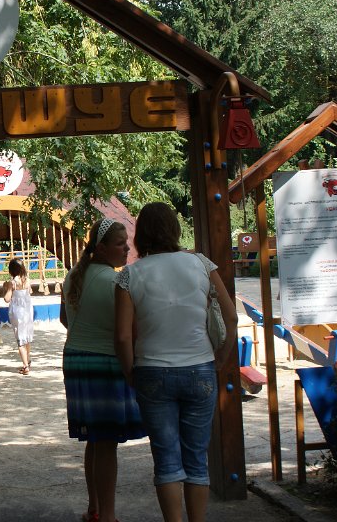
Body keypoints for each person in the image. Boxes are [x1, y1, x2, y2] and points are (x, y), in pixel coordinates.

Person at [113, 202, 237, 522]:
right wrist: (220, 358)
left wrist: (130, 372)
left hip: (152, 371)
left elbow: (123, 336)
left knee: (167, 460)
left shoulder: (129, 275)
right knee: (196, 459)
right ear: (175, 229)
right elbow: (231, 316)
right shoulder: (201, 264)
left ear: (141, 234)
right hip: (200, 368)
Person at [60, 218, 145, 522]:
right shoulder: (115, 282)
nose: (127, 249)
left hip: (75, 359)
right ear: (102, 248)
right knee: (107, 442)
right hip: (104, 363)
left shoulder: (73, 275)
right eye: (120, 244)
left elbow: (64, 319)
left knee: (94, 439)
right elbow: (129, 330)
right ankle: (107, 516)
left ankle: (94, 508)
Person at [1, 258, 33, 374]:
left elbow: (7, 298)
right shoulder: (27, 280)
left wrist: (6, 288)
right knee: (26, 338)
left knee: (20, 339)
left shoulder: (13, 283)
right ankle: (27, 360)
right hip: (28, 312)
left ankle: (25, 366)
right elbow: (29, 292)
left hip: (18, 313)